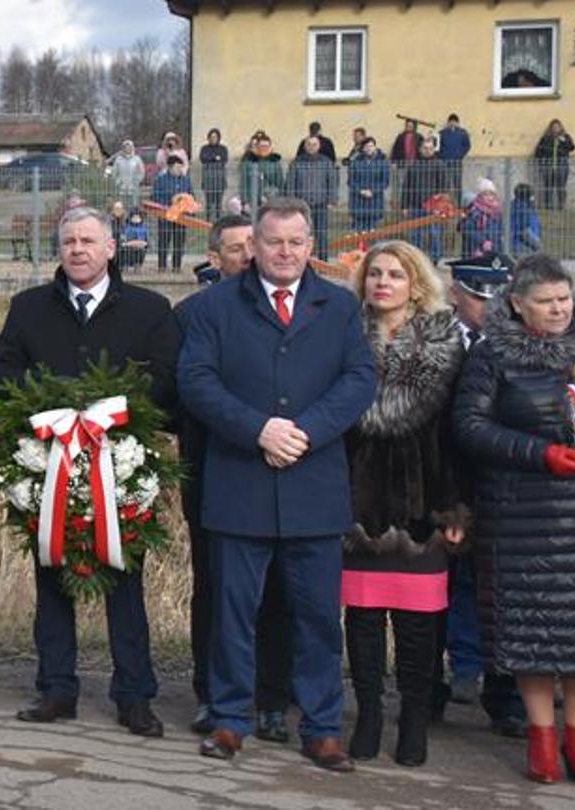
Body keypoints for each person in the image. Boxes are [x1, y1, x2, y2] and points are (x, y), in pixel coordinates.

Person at [179, 197, 378, 771]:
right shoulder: (215, 306)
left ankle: (320, 728)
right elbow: (196, 381)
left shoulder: (338, 307)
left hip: (313, 485)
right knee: (233, 614)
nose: (285, 252)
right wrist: (258, 429)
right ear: (254, 245)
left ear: (310, 245)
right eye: (273, 242)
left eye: (296, 242)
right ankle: (229, 720)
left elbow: (359, 378)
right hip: (240, 481)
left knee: (317, 618)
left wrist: (306, 432)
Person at [0, 206, 178, 736]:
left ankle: (135, 695)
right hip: (49, 468)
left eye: (88, 240)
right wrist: (55, 406)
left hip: (121, 466)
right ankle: (56, 689)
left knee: (124, 581)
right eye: (68, 240)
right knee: (51, 579)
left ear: (111, 248)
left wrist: (107, 409)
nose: (77, 249)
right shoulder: (27, 308)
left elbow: (165, 380)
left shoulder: (150, 309)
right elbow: (1, 375)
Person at [456, 255, 575, 789]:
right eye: (545, 302)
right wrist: (541, 454)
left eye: (563, 298)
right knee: (535, 634)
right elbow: (469, 426)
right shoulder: (493, 356)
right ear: (516, 303)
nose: (558, 310)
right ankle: (541, 736)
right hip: (523, 513)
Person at [340, 241, 467, 767]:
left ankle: (413, 718)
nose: (383, 283)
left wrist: (456, 508)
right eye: (375, 274)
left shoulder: (446, 343)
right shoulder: (343, 338)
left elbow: (456, 434)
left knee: (418, 626)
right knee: (364, 621)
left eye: (395, 274)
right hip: (359, 499)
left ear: (416, 284)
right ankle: (368, 713)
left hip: (423, 500)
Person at [179, 214, 298, 741]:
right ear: (215, 258)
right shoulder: (192, 316)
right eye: (236, 248)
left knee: (280, 593)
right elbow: (176, 393)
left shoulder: (292, 317)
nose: (249, 255)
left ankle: (273, 697)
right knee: (215, 591)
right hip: (213, 471)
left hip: (281, 472)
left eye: (256, 244)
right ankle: (213, 694)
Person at [438, 256, 529, 738]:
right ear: (456, 294)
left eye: (496, 299)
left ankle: (504, 696)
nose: (487, 309)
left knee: (500, 594)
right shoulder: (436, 340)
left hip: (503, 487)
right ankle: (436, 685)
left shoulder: (520, 346)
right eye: (477, 297)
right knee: (439, 590)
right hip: (441, 483)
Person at [398, 136, 450, 262]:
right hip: (415, 206)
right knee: (416, 235)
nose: (428, 151)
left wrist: (440, 197)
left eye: (430, 148)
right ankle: (417, 258)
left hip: (434, 207)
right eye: (425, 148)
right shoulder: (414, 165)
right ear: (420, 149)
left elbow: (445, 186)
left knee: (435, 234)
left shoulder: (439, 165)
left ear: (434, 150)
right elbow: (406, 187)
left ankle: (435, 258)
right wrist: (404, 206)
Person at [289, 136, 339, 251]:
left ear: (319, 146)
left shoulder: (326, 162)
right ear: (305, 146)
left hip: (321, 204)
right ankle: (305, 260)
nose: (312, 147)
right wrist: (292, 202)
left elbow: (332, 182)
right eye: (309, 144)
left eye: (314, 144)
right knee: (302, 234)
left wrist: (332, 200)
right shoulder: (296, 163)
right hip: (302, 205)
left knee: (322, 234)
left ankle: (323, 261)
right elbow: (291, 183)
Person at [151, 157, 194, 273]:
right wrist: (168, 203)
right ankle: (162, 266)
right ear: (170, 167)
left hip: (181, 216)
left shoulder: (186, 180)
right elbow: (155, 197)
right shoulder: (161, 180)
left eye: (181, 167)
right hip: (166, 215)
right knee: (164, 241)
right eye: (177, 167)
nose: (180, 169)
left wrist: (186, 205)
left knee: (179, 242)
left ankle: (177, 266)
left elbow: (191, 195)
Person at [347, 138, 391, 234]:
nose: (369, 148)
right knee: (358, 232)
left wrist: (373, 191)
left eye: (371, 146)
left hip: (375, 201)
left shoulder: (382, 162)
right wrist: (361, 191)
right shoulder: (355, 162)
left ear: (375, 147)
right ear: (362, 148)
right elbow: (351, 181)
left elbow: (385, 181)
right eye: (366, 146)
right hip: (358, 201)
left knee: (373, 232)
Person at [533, 119, 575, 211]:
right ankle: (548, 207)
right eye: (554, 127)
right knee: (548, 187)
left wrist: (564, 141)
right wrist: (542, 163)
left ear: (561, 128)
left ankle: (561, 206)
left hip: (561, 165)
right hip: (548, 166)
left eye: (557, 127)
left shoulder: (565, 137)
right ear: (550, 128)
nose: (556, 129)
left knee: (561, 187)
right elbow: (538, 153)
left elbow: (572, 147)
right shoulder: (546, 138)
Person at [237, 134, 284, 214]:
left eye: (266, 146)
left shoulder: (275, 163)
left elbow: (280, 184)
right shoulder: (248, 162)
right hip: (252, 200)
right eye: (261, 146)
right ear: (257, 147)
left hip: (270, 200)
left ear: (270, 148)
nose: (264, 149)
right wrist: (244, 202)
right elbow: (243, 184)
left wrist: (274, 197)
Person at [460, 178, 505, 258]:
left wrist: (494, 244)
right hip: (474, 252)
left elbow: (499, 231)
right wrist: (483, 242)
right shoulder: (474, 211)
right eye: (486, 194)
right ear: (480, 196)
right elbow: (469, 230)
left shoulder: (497, 212)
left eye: (491, 194)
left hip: (493, 250)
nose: (490, 197)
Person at [509, 183, 543, 259]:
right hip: (522, 247)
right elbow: (524, 232)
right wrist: (538, 245)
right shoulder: (522, 209)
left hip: (528, 246)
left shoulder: (527, 207)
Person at [199, 129, 230, 211]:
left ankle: (218, 218)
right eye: (211, 137)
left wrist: (211, 158)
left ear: (218, 138)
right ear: (208, 138)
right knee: (208, 202)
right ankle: (208, 220)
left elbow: (224, 159)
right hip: (208, 178)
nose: (213, 139)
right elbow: (203, 159)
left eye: (215, 137)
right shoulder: (204, 148)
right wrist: (215, 158)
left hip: (219, 178)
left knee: (219, 203)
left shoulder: (223, 148)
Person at [109, 140, 145, 209]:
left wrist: (136, 181)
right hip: (122, 189)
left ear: (132, 148)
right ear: (123, 148)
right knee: (122, 208)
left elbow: (141, 172)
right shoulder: (118, 160)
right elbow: (114, 173)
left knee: (134, 208)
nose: (128, 149)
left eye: (130, 147)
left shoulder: (137, 159)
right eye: (126, 147)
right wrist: (118, 182)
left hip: (134, 189)